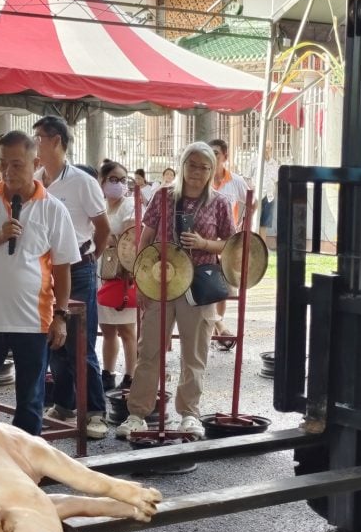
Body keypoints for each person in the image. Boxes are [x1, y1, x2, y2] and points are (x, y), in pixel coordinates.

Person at [0, 131, 80, 436]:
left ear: (35, 163)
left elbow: (63, 270)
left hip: (32, 322)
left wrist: (60, 317)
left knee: (30, 402)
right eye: (2, 164)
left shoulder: (53, 209)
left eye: (17, 164)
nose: (8, 172)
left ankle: (26, 467)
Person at [116, 141, 235, 440]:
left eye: (204, 167)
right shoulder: (164, 197)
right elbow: (147, 238)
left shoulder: (219, 202)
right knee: (150, 350)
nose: (197, 172)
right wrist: (140, 280)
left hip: (198, 286)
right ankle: (137, 414)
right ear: (182, 165)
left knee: (194, 353)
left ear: (213, 171)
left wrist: (205, 244)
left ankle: (189, 414)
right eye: (192, 165)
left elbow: (232, 244)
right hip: (160, 281)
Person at [32, 115, 111, 438]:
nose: (34, 143)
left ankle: (95, 411)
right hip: (45, 269)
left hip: (78, 267)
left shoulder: (82, 182)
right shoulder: (36, 179)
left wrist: (91, 257)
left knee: (81, 341)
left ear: (56, 141)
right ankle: (64, 404)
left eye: (38, 137)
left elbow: (103, 228)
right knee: (54, 340)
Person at [97, 161, 138, 392]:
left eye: (123, 180)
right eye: (113, 179)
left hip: (123, 274)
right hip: (103, 272)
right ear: (101, 182)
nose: (119, 184)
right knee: (108, 330)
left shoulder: (129, 205)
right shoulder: (101, 205)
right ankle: (108, 372)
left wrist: (106, 237)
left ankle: (131, 375)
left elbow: (129, 238)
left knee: (127, 330)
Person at [209, 139, 250, 342]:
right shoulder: (201, 180)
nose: (213, 156)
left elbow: (252, 203)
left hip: (227, 243)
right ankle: (218, 326)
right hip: (204, 243)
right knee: (204, 285)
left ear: (225, 156)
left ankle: (218, 326)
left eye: (216, 153)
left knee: (222, 289)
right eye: (210, 152)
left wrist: (240, 226)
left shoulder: (236, 181)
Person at [246, 139, 280, 241]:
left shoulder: (274, 163)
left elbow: (277, 180)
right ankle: (252, 245)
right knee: (254, 221)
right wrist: (252, 187)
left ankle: (263, 246)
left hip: (269, 196)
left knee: (264, 223)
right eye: (266, 147)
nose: (267, 150)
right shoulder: (254, 161)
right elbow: (247, 177)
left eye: (269, 148)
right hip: (257, 196)